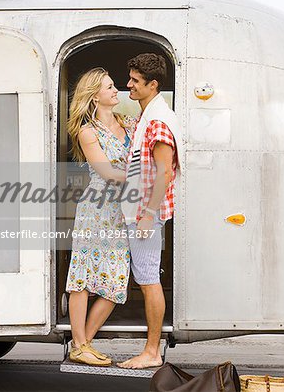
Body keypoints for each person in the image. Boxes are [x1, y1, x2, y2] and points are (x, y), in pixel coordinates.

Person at [65, 67, 135, 366]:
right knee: (83, 277)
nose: (115, 90)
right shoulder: (88, 131)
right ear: (95, 95)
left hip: (124, 210)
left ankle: (84, 344)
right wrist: (144, 177)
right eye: (109, 87)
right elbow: (106, 171)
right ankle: (79, 344)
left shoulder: (128, 123)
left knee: (116, 279)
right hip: (97, 209)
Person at [118, 53, 183, 369]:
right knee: (146, 278)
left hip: (146, 211)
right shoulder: (150, 116)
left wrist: (147, 213)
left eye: (134, 80)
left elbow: (165, 172)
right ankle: (151, 349)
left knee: (147, 280)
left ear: (153, 84)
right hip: (142, 209)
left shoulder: (157, 122)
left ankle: (152, 351)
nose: (128, 84)